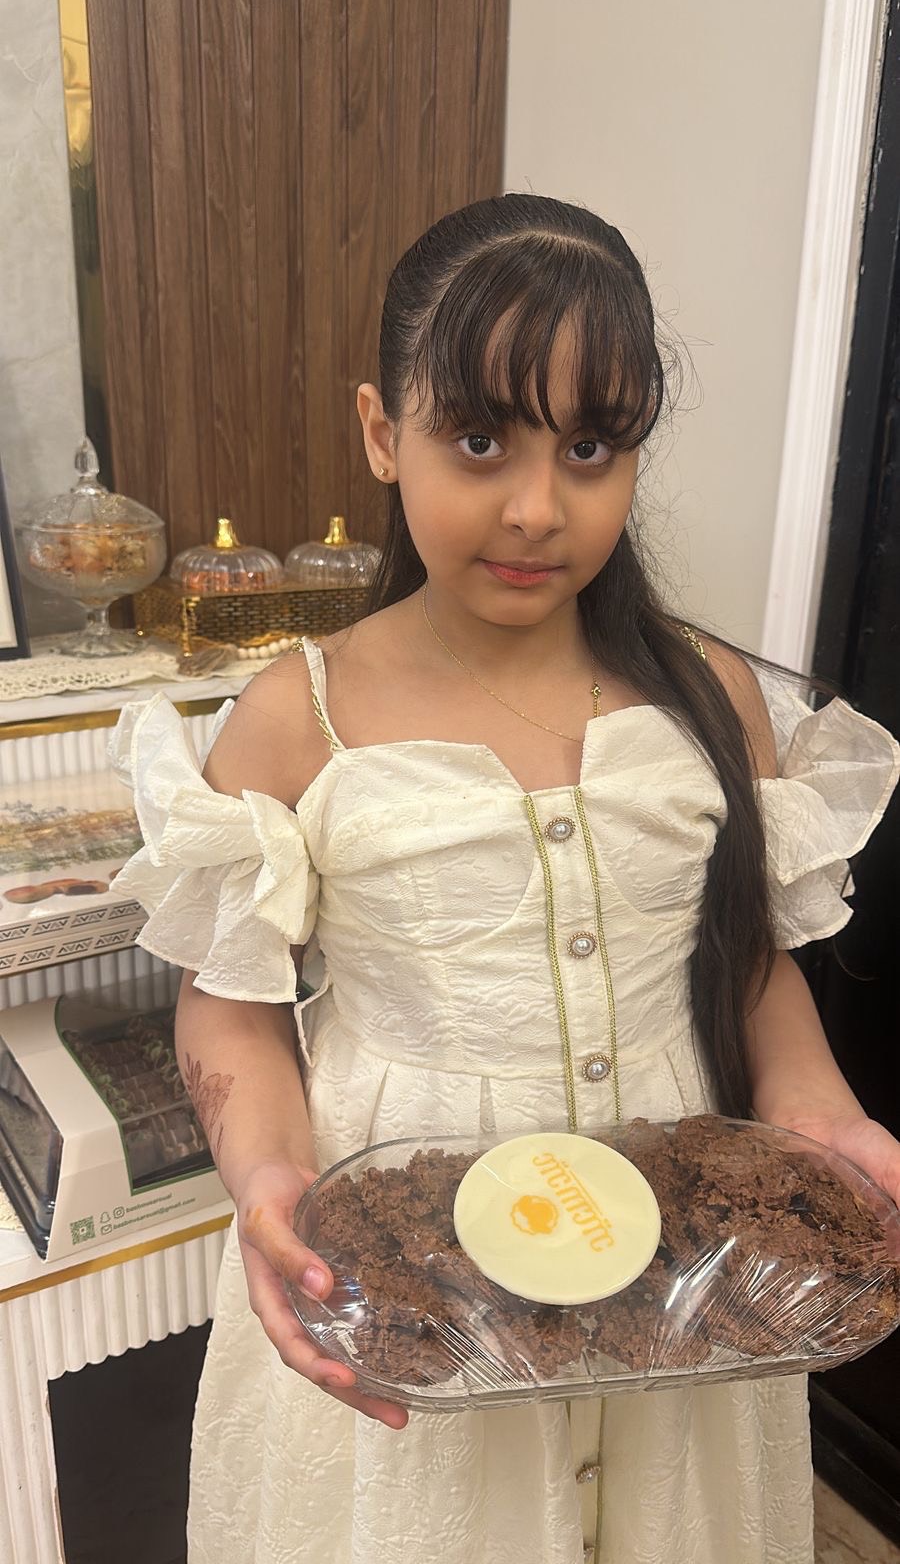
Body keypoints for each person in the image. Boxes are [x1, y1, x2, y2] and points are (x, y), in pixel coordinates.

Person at [110, 193, 900, 1564]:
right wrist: (268, 1177)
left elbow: (749, 962)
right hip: (409, 1266)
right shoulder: (299, 717)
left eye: (590, 448)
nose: (537, 508)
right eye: (479, 440)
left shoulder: (715, 697)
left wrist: (822, 1117)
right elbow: (229, 1006)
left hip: (678, 1258)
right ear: (382, 432)